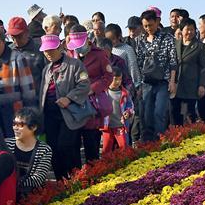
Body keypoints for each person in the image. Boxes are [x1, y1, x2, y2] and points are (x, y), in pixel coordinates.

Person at [38, 34, 91, 179]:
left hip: (69, 115)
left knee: (66, 146)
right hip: (50, 115)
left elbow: (85, 85)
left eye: (51, 50)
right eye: (46, 51)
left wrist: (69, 98)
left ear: (60, 47)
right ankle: (61, 182)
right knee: (53, 149)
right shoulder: (46, 69)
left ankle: (76, 179)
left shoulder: (75, 64)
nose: (48, 53)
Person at [66, 26, 113, 163]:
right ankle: (77, 176)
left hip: (92, 104)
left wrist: (92, 89)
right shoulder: (70, 54)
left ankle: (94, 173)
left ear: (87, 39)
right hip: (74, 104)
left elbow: (108, 76)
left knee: (91, 142)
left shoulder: (99, 54)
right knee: (73, 143)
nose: (78, 48)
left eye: (80, 44)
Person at [0, 25, 37, 138]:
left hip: (15, 113)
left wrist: (29, 116)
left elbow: (29, 92)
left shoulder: (17, 58)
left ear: (3, 41)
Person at [134, 9, 178, 142]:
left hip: (163, 81)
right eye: (145, 26)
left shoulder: (167, 38)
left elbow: (173, 61)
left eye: (150, 25)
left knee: (159, 112)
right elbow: (139, 63)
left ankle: (160, 141)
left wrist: (172, 81)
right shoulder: (139, 40)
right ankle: (148, 143)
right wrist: (140, 85)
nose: (148, 28)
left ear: (157, 22)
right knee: (147, 114)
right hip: (147, 82)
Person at [6, 107, 55, 200]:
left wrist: (12, 183)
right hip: (7, 194)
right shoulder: (7, 144)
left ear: (33, 127)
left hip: (30, 197)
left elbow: (38, 179)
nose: (15, 128)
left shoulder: (44, 150)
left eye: (20, 124)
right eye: (14, 124)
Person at [172, 18, 205, 125]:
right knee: (174, 113)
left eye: (192, 29)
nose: (189, 32)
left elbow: (204, 67)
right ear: (181, 30)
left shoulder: (200, 46)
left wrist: (202, 85)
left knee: (189, 114)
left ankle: (190, 137)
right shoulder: (174, 43)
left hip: (191, 85)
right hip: (176, 85)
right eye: (187, 29)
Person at [102, 68, 134, 153]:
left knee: (124, 148)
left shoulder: (124, 93)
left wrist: (128, 112)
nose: (117, 82)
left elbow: (130, 105)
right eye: (115, 79)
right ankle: (105, 165)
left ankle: (126, 163)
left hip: (120, 126)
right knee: (106, 150)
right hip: (107, 127)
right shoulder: (104, 92)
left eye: (120, 79)